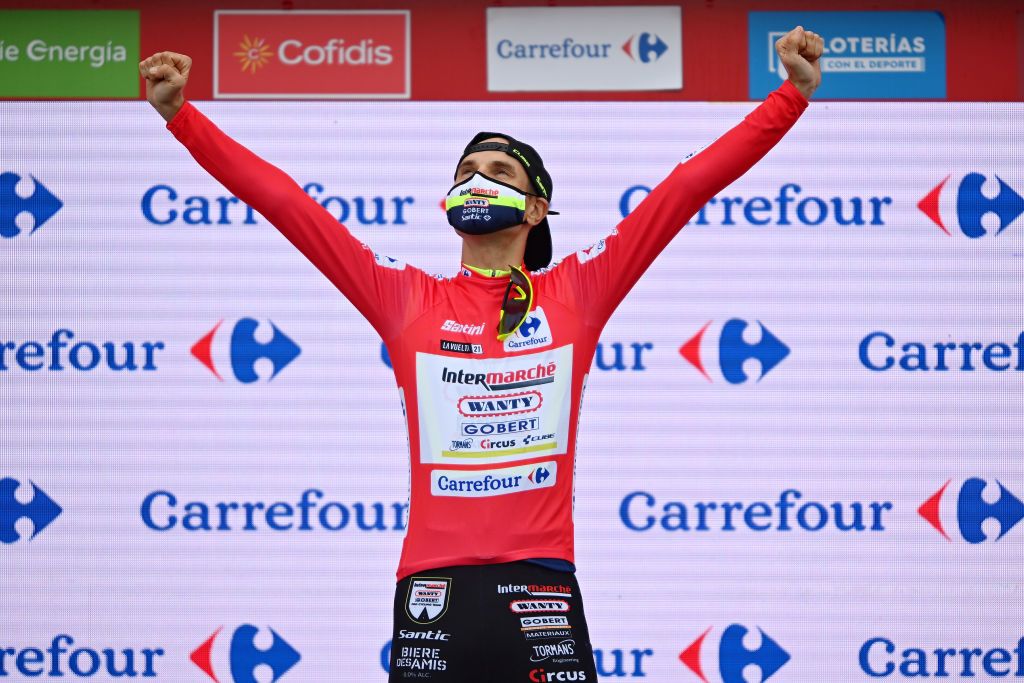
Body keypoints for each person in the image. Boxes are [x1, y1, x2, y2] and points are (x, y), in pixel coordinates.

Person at [140, 25, 823, 682]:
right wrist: (182, 118)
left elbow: (683, 189)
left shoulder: (578, 289)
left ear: (535, 209)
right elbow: (290, 205)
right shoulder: (406, 298)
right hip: (433, 589)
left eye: (498, 171)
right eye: (467, 170)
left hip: (543, 585)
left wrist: (789, 98)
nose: (477, 179)